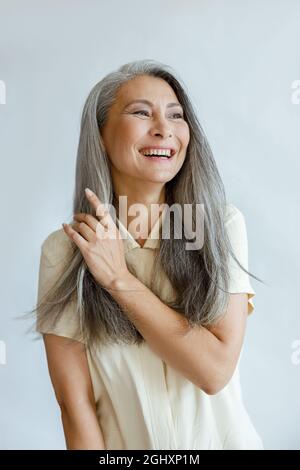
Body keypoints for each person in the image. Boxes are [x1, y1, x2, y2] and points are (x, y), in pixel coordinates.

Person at [35, 59, 265, 450]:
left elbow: (214, 371)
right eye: (141, 112)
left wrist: (118, 280)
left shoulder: (220, 228)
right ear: (101, 136)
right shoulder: (65, 251)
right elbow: (75, 407)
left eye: (176, 115)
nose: (164, 129)